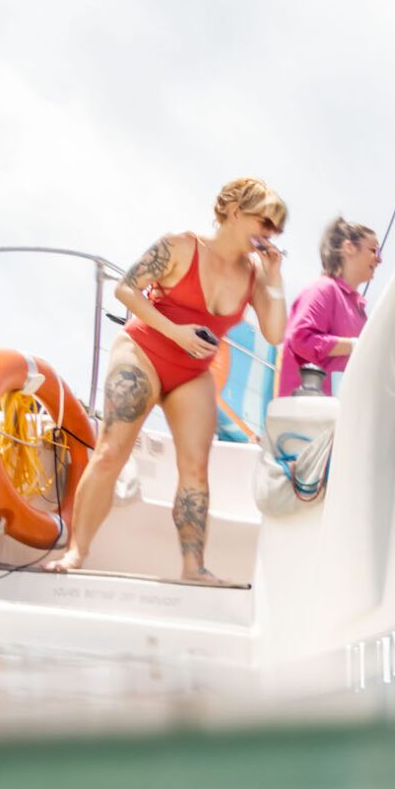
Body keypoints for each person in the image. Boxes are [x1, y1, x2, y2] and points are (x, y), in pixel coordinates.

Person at [54, 178, 290, 581]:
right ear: (234, 212)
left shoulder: (253, 274)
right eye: (264, 222)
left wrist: (274, 279)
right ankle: (76, 551)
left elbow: (274, 333)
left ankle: (193, 568)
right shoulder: (181, 246)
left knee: (196, 469)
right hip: (144, 351)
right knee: (112, 450)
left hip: (192, 373)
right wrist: (176, 332)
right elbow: (126, 290)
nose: (268, 234)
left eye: (275, 230)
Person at [277, 219, 381, 397]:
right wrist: (355, 345)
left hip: (337, 413)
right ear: (349, 247)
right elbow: (301, 339)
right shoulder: (324, 288)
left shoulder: (359, 310)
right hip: (308, 412)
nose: (379, 259)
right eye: (374, 250)